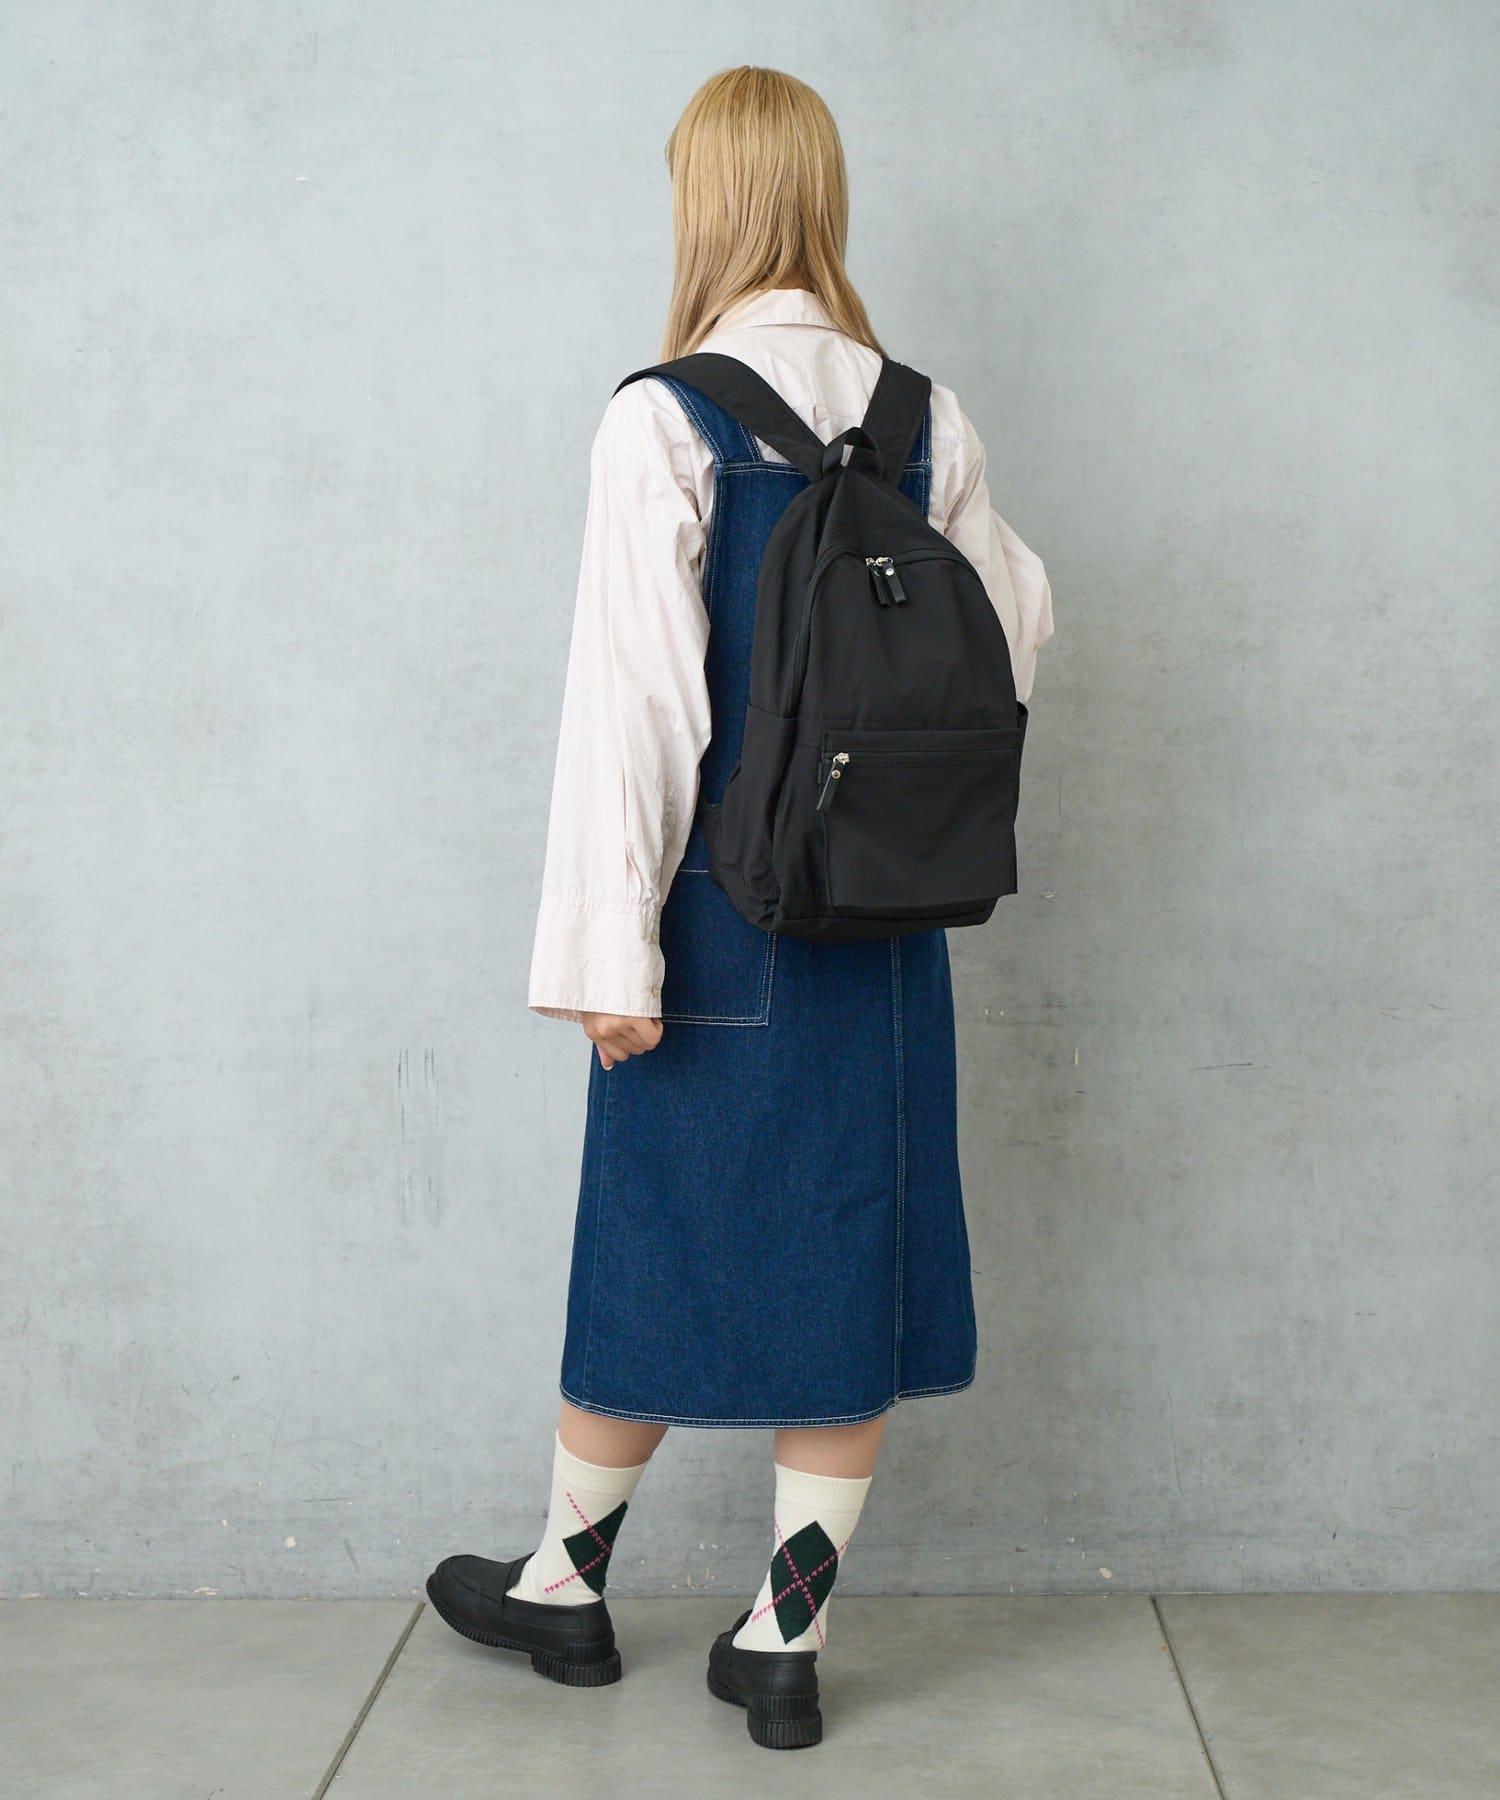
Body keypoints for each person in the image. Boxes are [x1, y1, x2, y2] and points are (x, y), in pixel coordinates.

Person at [427, 64, 1054, 1752]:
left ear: (703, 203)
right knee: (849, 1260)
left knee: (650, 1241)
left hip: (714, 912)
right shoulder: (926, 416)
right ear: (823, 201)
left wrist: (605, 952)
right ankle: (784, 1641)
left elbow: (634, 706)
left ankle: (567, 1586)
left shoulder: (665, 418)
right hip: (885, 913)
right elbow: (1012, 632)